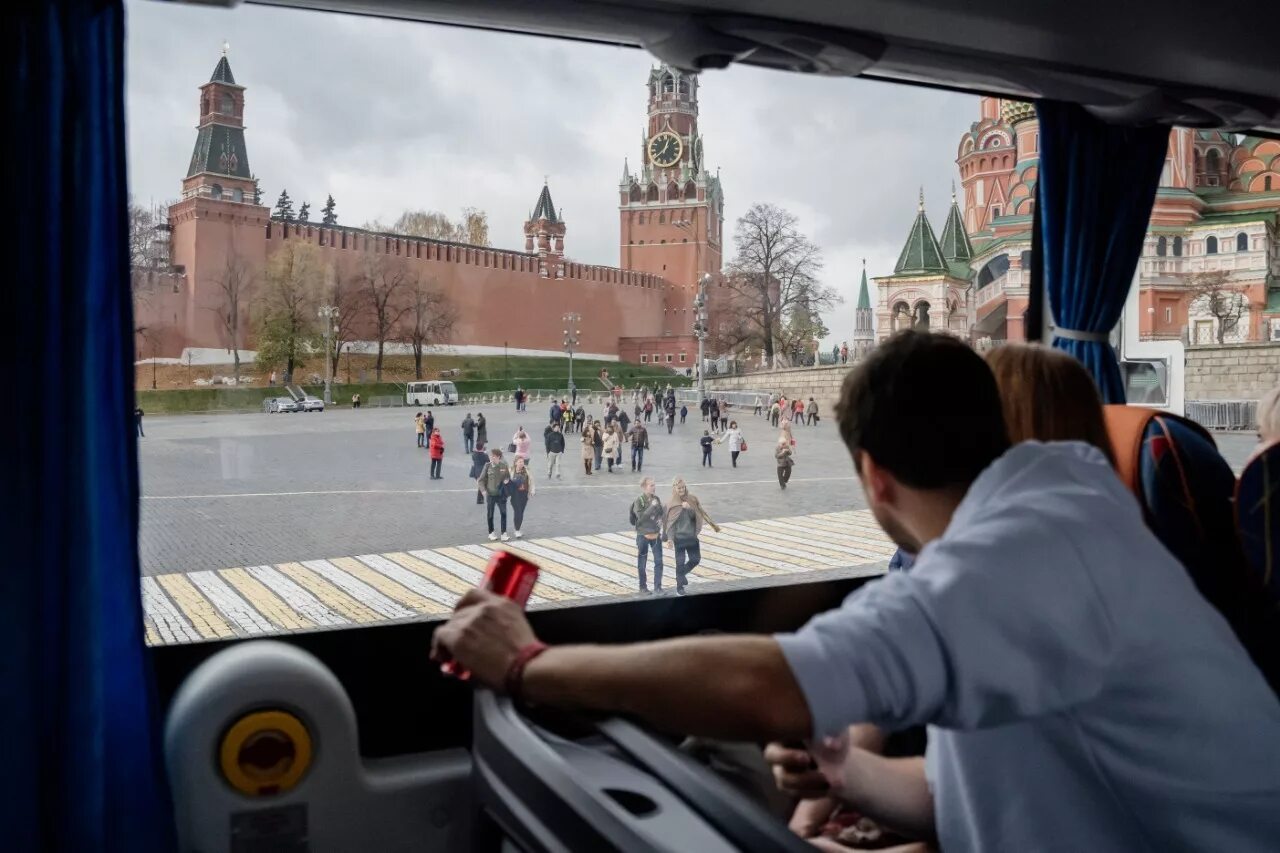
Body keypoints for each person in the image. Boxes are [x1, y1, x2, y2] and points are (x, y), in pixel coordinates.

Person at [432, 329, 1280, 853]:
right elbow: (958, 787)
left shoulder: (1015, 560)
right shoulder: (1060, 512)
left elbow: (768, 682)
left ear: (874, 477)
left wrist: (526, 662)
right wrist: (843, 768)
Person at [664, 478, 721, 596]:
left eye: (683, 487)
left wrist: (689, 508)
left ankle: (681, 574)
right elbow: (670, 524)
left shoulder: (692, 499)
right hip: (679, 539)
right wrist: (670, 538)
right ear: (674, 488)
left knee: (696, 559)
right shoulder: (671, 503)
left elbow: (698, 516)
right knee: (679, 562)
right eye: (679, 488)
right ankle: (680, 587)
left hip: (691, 537)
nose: (681, 490)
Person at [629, 477, 665, 594]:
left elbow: (661, 514)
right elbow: (642, 518)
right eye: (651, 485)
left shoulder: (657, 499)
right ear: (644, 487)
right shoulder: (639, 501)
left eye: (654, 485)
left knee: (659, 561)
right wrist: (652, 506)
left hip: (655, 535)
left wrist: (661, 519)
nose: (654, 487)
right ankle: (643, 587)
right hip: (643, 536)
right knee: (642, 562)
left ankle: (658, 587)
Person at [477, 447, 512, 542]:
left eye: (494, 456)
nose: (492, 457)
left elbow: (508, 477)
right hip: (491, 495)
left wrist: (507, 480)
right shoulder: (487, 466)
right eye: (491, 456)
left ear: (498, 457)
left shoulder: (503, 466)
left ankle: (503, 533)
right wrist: (483, 490)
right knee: (490, 514)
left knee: (504, 513)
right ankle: (491, 532)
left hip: (501, 495)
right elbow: (480, 480)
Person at [508, 456, 535, 538]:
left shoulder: (526, 470)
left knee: (521, 512)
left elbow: (532, 480)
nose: (521, 463)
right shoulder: (511, 470)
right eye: (519, 462)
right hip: (515, 495)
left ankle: (518, 529)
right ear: (515, 462)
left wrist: (532, 490)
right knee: (518, 512)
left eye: (522, 462)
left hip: (524, 494)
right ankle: (517, 530)